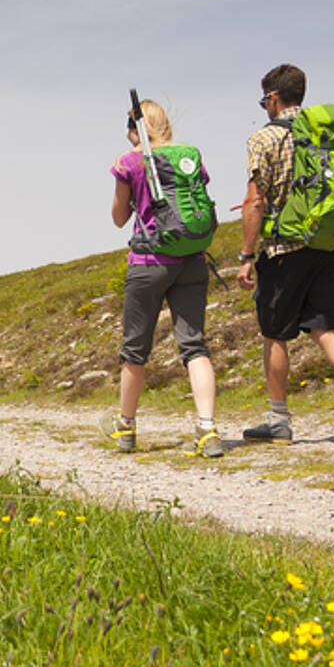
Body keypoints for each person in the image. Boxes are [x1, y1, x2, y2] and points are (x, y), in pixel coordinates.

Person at [236, 64, 334, 448]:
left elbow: (255, 200)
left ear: (272, 97)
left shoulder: (264, 138)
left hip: (284, 249)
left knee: (275, 334)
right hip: (327, 244)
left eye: (263, 99)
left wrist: (246, 254)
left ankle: (278, 420)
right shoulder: (327, 135)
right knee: (325, 328)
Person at [108, 99, 223, 457]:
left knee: (135, 352)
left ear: (134, 128)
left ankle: (126, 427)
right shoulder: (189, 154)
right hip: (191, 260)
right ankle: (207, 428)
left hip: (148, 262)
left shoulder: (129, 161)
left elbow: (119, 217)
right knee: (194, 346)